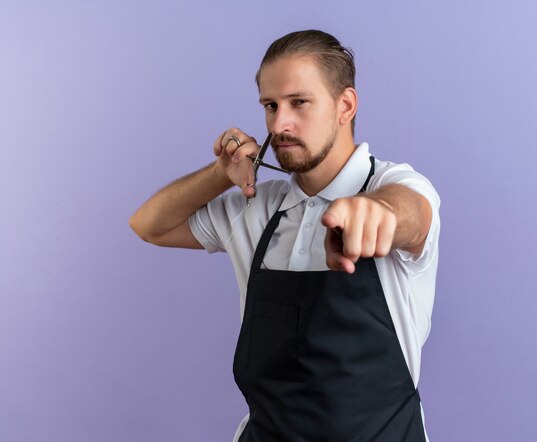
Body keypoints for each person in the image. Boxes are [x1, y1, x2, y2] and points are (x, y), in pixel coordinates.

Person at [129, 29, 440, 442]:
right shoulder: (255, 205)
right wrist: (222, 173)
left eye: (299, 103)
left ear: (345, 105)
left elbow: (411, 213)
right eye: (270, 106)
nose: (280, 124)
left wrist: (376, 211)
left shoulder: (392, 183)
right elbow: (149, 224)